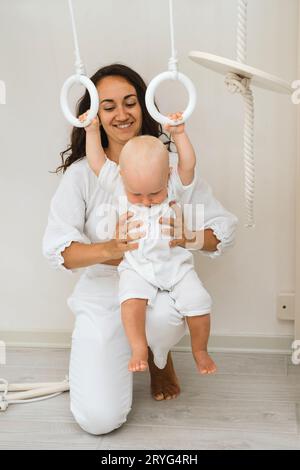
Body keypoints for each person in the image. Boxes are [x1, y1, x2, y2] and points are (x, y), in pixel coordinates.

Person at [43, 63, 238, 435]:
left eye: (130, 102)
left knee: (167, 314)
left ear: (143, 106)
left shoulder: (170, 169)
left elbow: (220, 231)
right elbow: (60, 252)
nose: (122, 113)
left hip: (163, 281)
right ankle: (124, 350)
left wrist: (187, 236)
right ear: (96, 115)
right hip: (106, 288)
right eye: (109, 106)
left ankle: (157, 354)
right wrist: (109, 249)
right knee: (98, 420)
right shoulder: (86, 175)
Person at [81, 107, 217, 375]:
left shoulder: (175, 183)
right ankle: (139, 347)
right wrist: (91, 130)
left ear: (167, 176)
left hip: (177, 267)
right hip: (137, 266)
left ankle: (200, 350)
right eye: (137, 194)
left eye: (155, 193)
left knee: (200, 303)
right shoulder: (119, 185)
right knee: (131, 301)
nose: (146, 200)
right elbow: (96, 162)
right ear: (122, 178)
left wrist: (179, 134)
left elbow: (188, 163)